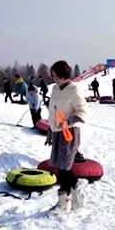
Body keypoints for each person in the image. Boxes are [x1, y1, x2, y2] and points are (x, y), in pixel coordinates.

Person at [44, 59, 88, 215]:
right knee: (61, 167)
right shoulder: (55, 89)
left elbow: (82, 113)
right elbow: (52, 113)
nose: (54, 79)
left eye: (56, 76)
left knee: (64, 168)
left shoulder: (74, 89)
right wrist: (50, 131)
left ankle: (65, 204)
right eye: (53, 76)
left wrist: (67, 122)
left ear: (64, 75)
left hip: (69, 134)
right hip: (56, 133)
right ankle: (75, 195)